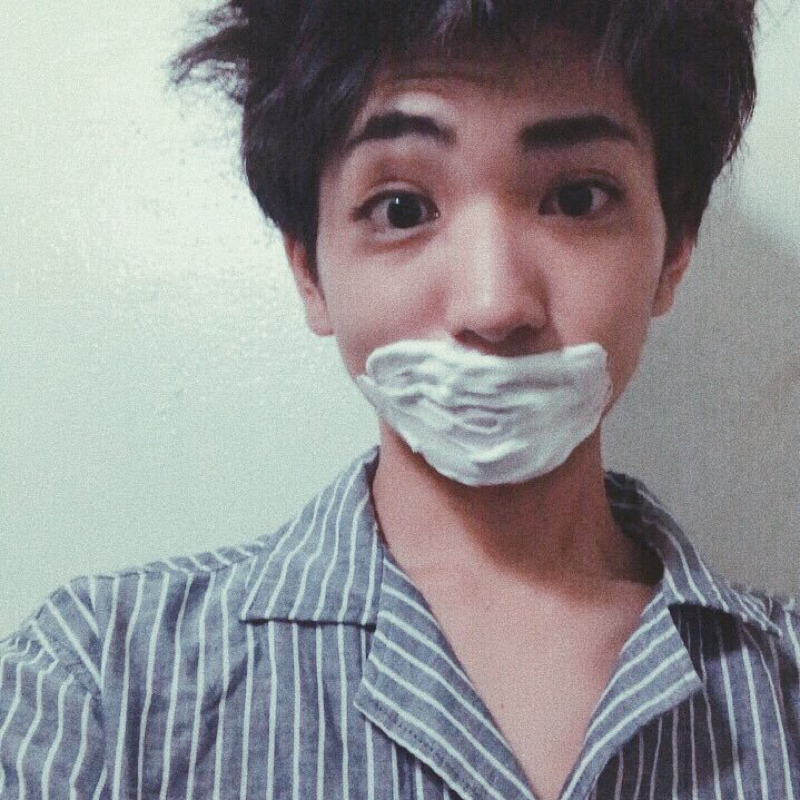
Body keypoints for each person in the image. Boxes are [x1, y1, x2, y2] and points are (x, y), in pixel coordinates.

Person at [1, 2, 797, 799]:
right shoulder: (99, 688)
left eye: (578, 198)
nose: (493, 306)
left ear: (674, 249)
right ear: (309, 271)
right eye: (402, 210)